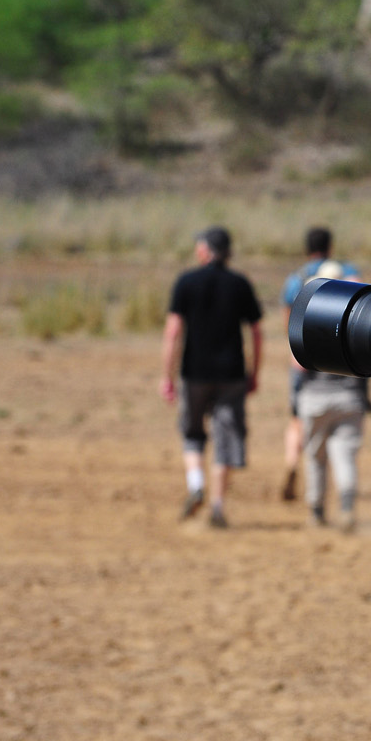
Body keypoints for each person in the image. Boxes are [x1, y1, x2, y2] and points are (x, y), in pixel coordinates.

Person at [160, 226, 263, 528]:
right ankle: (218, 505)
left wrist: (167, 375)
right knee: (226, 438)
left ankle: (196, 486)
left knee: (192, 433)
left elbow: (173, 332)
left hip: (194, 373)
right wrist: (253, 371)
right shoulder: (240, 284)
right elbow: (255, 332)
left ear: (204, 251)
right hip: (232, 374)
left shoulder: (186, 282)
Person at [280, 226, 366, 530]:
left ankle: (316, 511)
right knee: (344, 453)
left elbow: (293, 340)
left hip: (314, 394)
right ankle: (346, 506)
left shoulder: (305, 300)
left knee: (314, 454)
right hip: (350, 395)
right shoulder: (355, 314)